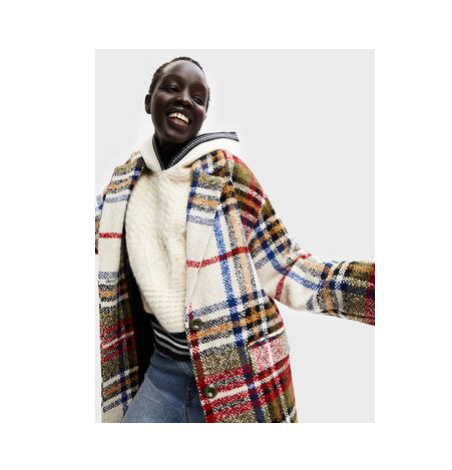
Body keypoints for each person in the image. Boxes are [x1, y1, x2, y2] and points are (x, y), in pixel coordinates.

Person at [95, 56, 375, 423]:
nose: (184, 99)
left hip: (237, 372)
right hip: (162, 371)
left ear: (203, 115)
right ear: (149, 101)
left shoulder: (228, 177)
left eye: (198, 98)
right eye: (172, 88)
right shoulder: (123, 186)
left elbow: (286, 265)